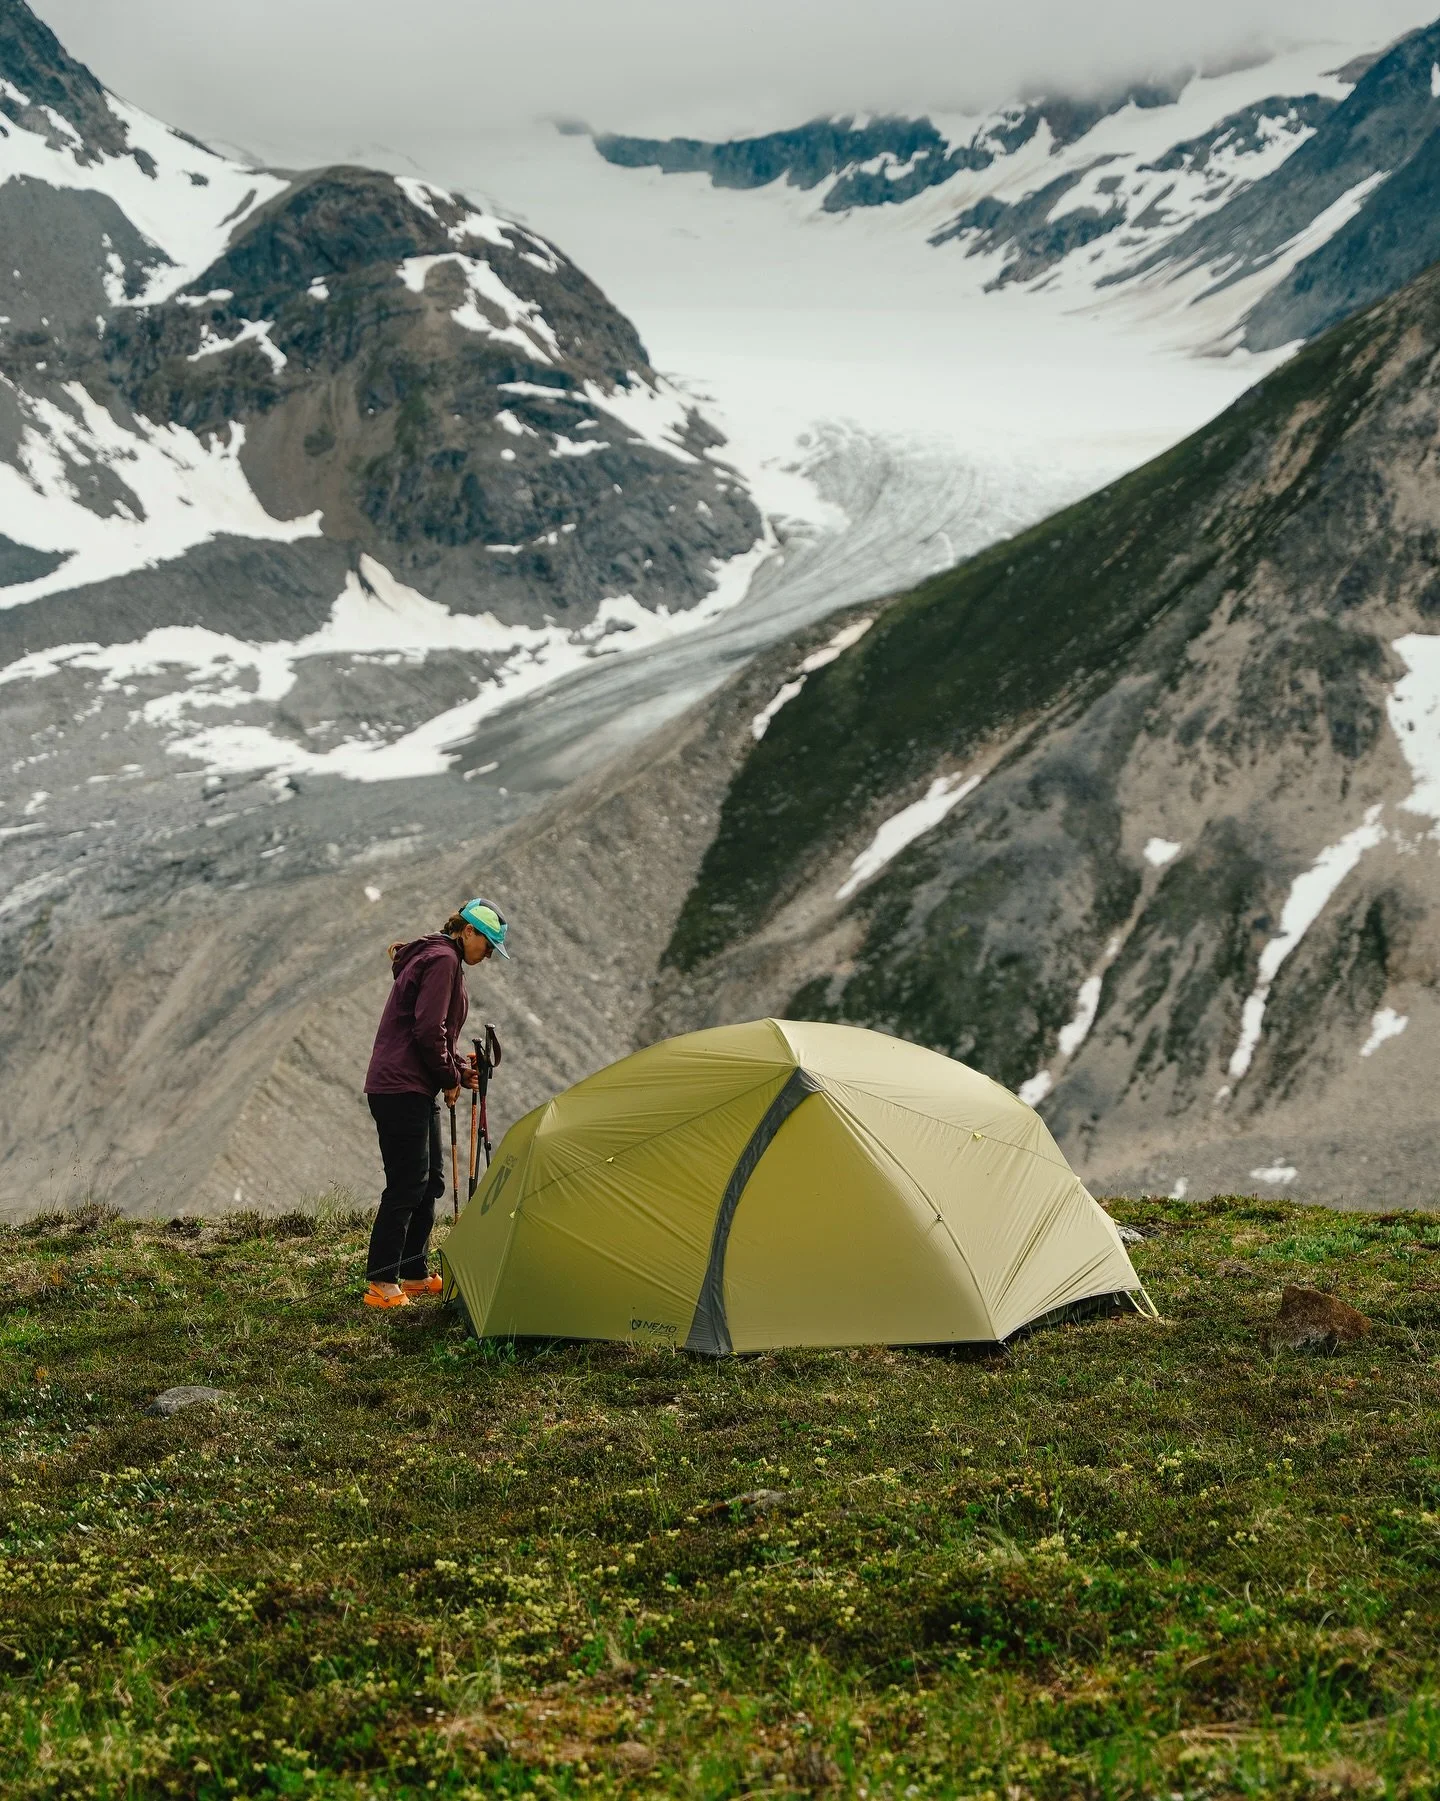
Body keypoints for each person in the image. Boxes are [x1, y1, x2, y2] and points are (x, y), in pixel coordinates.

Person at [361, 898, 510, 1309]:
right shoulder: (443, 960)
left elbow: (436, 1033)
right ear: (469, 931)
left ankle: (413, 1272)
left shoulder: (442, 957)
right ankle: (381, 1282)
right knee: (409, 1182)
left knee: (430, 1181)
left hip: (410, 1084)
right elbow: (428, 1030)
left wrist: (458, 1068)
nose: (488, 954)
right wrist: (450, 1076)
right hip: (400, 1087)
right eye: (488, 944)